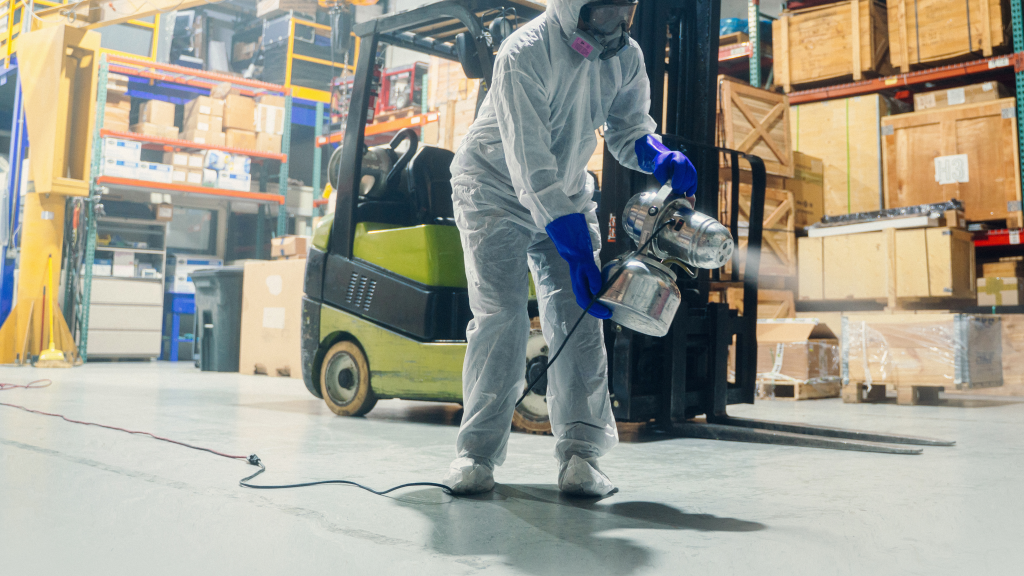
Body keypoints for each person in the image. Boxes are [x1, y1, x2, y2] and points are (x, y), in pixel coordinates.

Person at [442, 0, 698, 497]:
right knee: (503, 318)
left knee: (580, 325)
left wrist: (656, 152)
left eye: (625, 14)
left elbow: (628, 129)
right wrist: (575, 244)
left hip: (567, 190)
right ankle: (475, 455)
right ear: (571, 8)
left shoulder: (625, 57)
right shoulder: (524, 52)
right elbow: (530, 165)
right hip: (493, 190)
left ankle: (582, 457)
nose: (615, 28)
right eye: (603, 15)